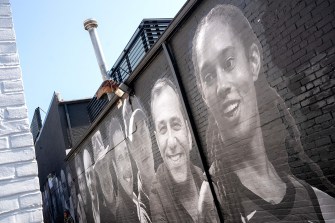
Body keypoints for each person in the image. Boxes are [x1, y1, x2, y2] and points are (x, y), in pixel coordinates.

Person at [191, 4, 335, 222]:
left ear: (254, 61)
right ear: (203, 93)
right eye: (209, 76)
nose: (221, 86)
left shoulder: (319, 203)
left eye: (229, 63)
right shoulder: (214, 201)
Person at [149, 78, 218, 222]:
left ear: (188, 133)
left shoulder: (204, 178)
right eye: (162, 129)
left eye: (175, 125)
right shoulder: (157, 197)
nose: (172, 142)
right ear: (156, 141)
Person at [110, 118, 144, 223]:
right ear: (115, 167)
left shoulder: (135, 197)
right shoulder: (122, 213)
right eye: (120, 158)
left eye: (126, 154)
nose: (127, 166)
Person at [83, 148, 100, 223]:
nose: (90, 182)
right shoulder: (87, 217)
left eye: (91, 175)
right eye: (87, 176)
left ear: (95, 176)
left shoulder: (108, 214)